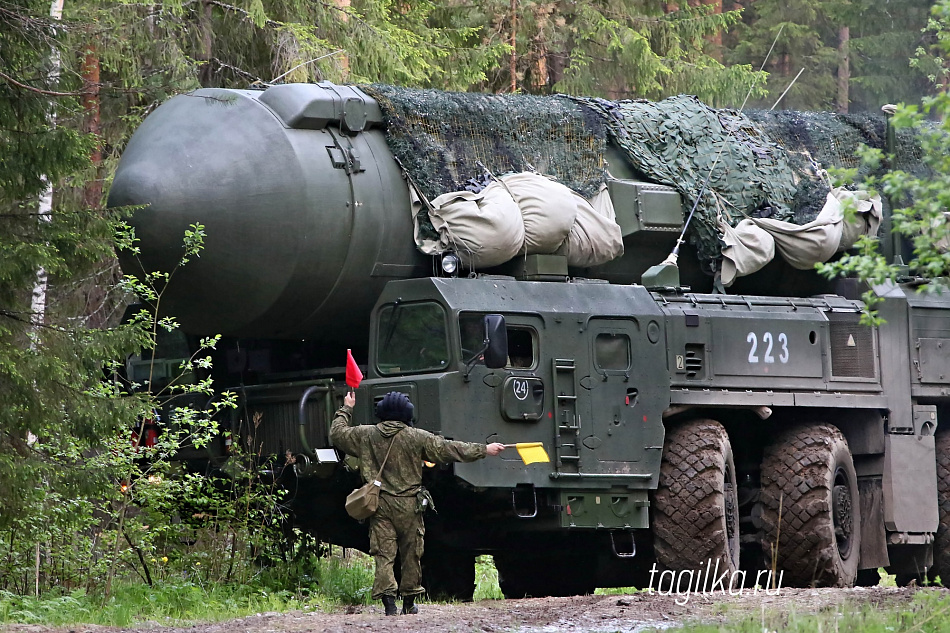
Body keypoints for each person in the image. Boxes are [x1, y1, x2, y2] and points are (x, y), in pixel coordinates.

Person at [329, 391, 505, 616]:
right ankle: (409, 602)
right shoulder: (417, 437)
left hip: (379, 504)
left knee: (384, 554)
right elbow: (450, 449)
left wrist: (347, 407)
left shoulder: (366, 435)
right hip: (410, 505)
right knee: (411, 553)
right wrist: (484, 449)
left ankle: (389, 604)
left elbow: (337, 433)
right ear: (406, 414)